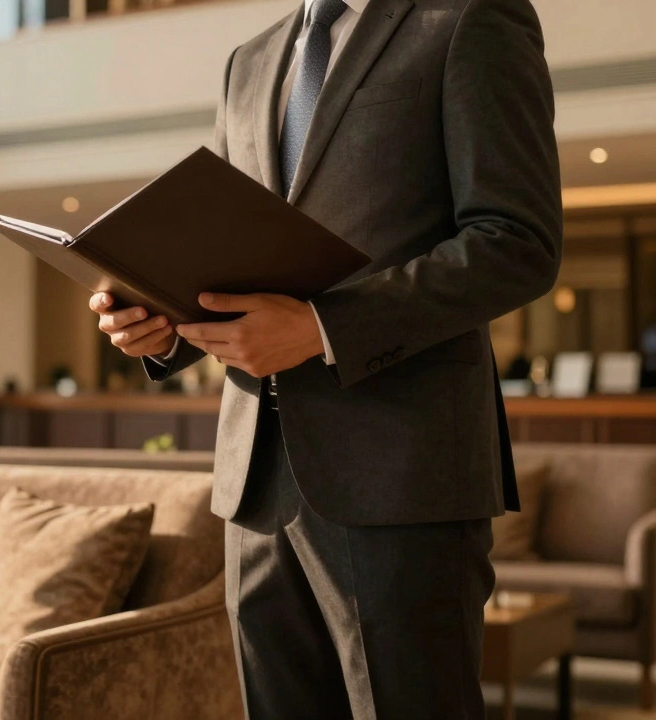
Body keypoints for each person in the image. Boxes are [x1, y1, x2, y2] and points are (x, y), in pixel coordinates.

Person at [89, 0, 561, 717]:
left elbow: (515, 243)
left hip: (401, 479)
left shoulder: (470, 18)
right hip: (254, 483)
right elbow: (228, 252)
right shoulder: (249, 61)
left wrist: (323, 327)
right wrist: (163, 326)